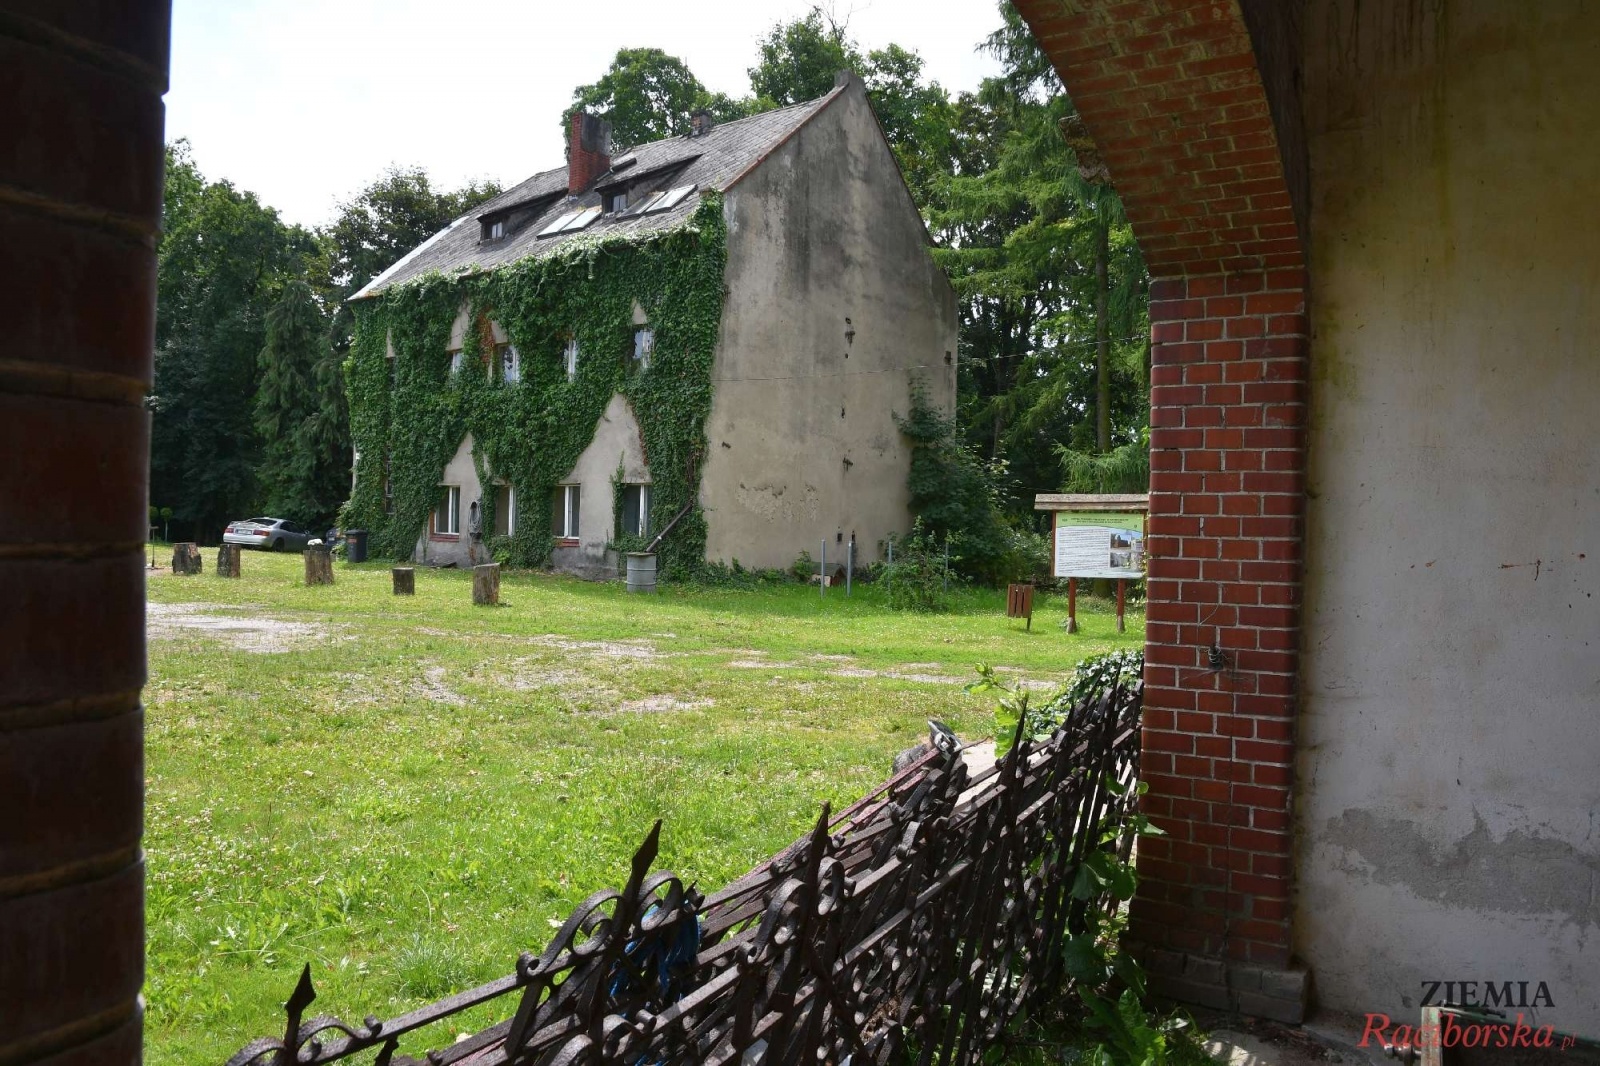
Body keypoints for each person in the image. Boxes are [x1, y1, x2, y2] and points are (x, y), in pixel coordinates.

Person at [467, 499, 483, 564]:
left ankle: (475, 560)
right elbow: (470, 519)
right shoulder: (472, 510)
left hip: (478, 532)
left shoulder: (478, 508)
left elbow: (479, 518)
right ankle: (473, 560)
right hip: (473, 532)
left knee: (473, 546)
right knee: (471, 545)